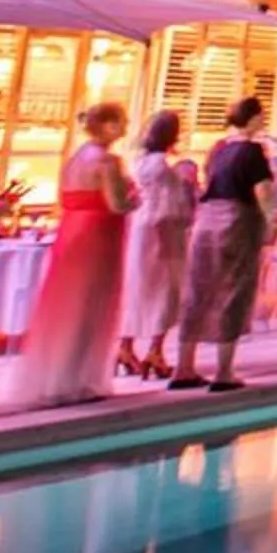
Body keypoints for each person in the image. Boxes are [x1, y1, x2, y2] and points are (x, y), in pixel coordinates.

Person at [14, 103, 138, 407]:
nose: (125, 127)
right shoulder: (108, 162)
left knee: (66, 305)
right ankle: (76, 380)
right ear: (107, 126)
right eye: (121, 122)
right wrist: (138, 197)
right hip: (99, 235)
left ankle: (57, 376)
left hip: (72, 232)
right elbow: (118, 204)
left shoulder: (76, 158)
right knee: (89, 306)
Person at [173, 97, 277, 393]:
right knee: (234, 291)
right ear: (254, 119)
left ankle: (183, 366)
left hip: (206, 221)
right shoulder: (253, 152)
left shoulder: (219, 149)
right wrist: (273, 220)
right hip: (236, 221)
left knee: (198, 291)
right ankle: (223, 371)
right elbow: (263, 193)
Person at [118, 112, 195, 381]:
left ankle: (125, 346)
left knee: (137, 286)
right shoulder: (163, 165)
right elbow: (172, 208)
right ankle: (155, 350)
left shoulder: (139, 162)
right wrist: (187, 189)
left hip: (140, 226)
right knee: (166, 290)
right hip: (162, 232)